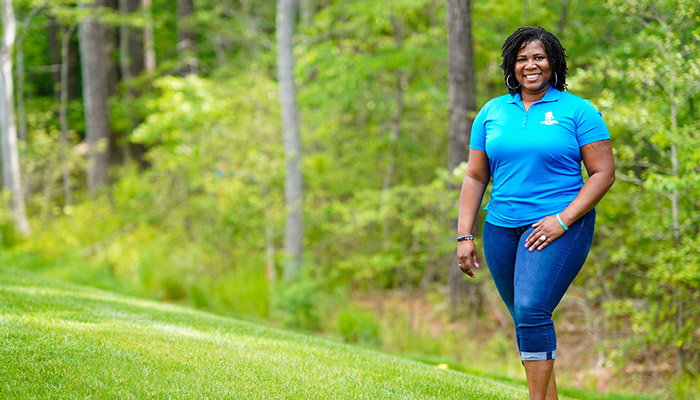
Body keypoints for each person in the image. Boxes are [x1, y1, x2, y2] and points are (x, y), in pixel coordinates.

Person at [456, 27, 615, 400]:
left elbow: (604, 174)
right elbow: (475, 175)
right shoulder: (492, 111)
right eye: (523, 57)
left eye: (539, 57)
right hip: (500, 229)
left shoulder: (578, 111)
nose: (531, 65)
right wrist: (465, 234)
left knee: (530, 309)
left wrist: (563, 220)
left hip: (557, 227)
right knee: (527, 319)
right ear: (512, 64)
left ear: (553, 63)